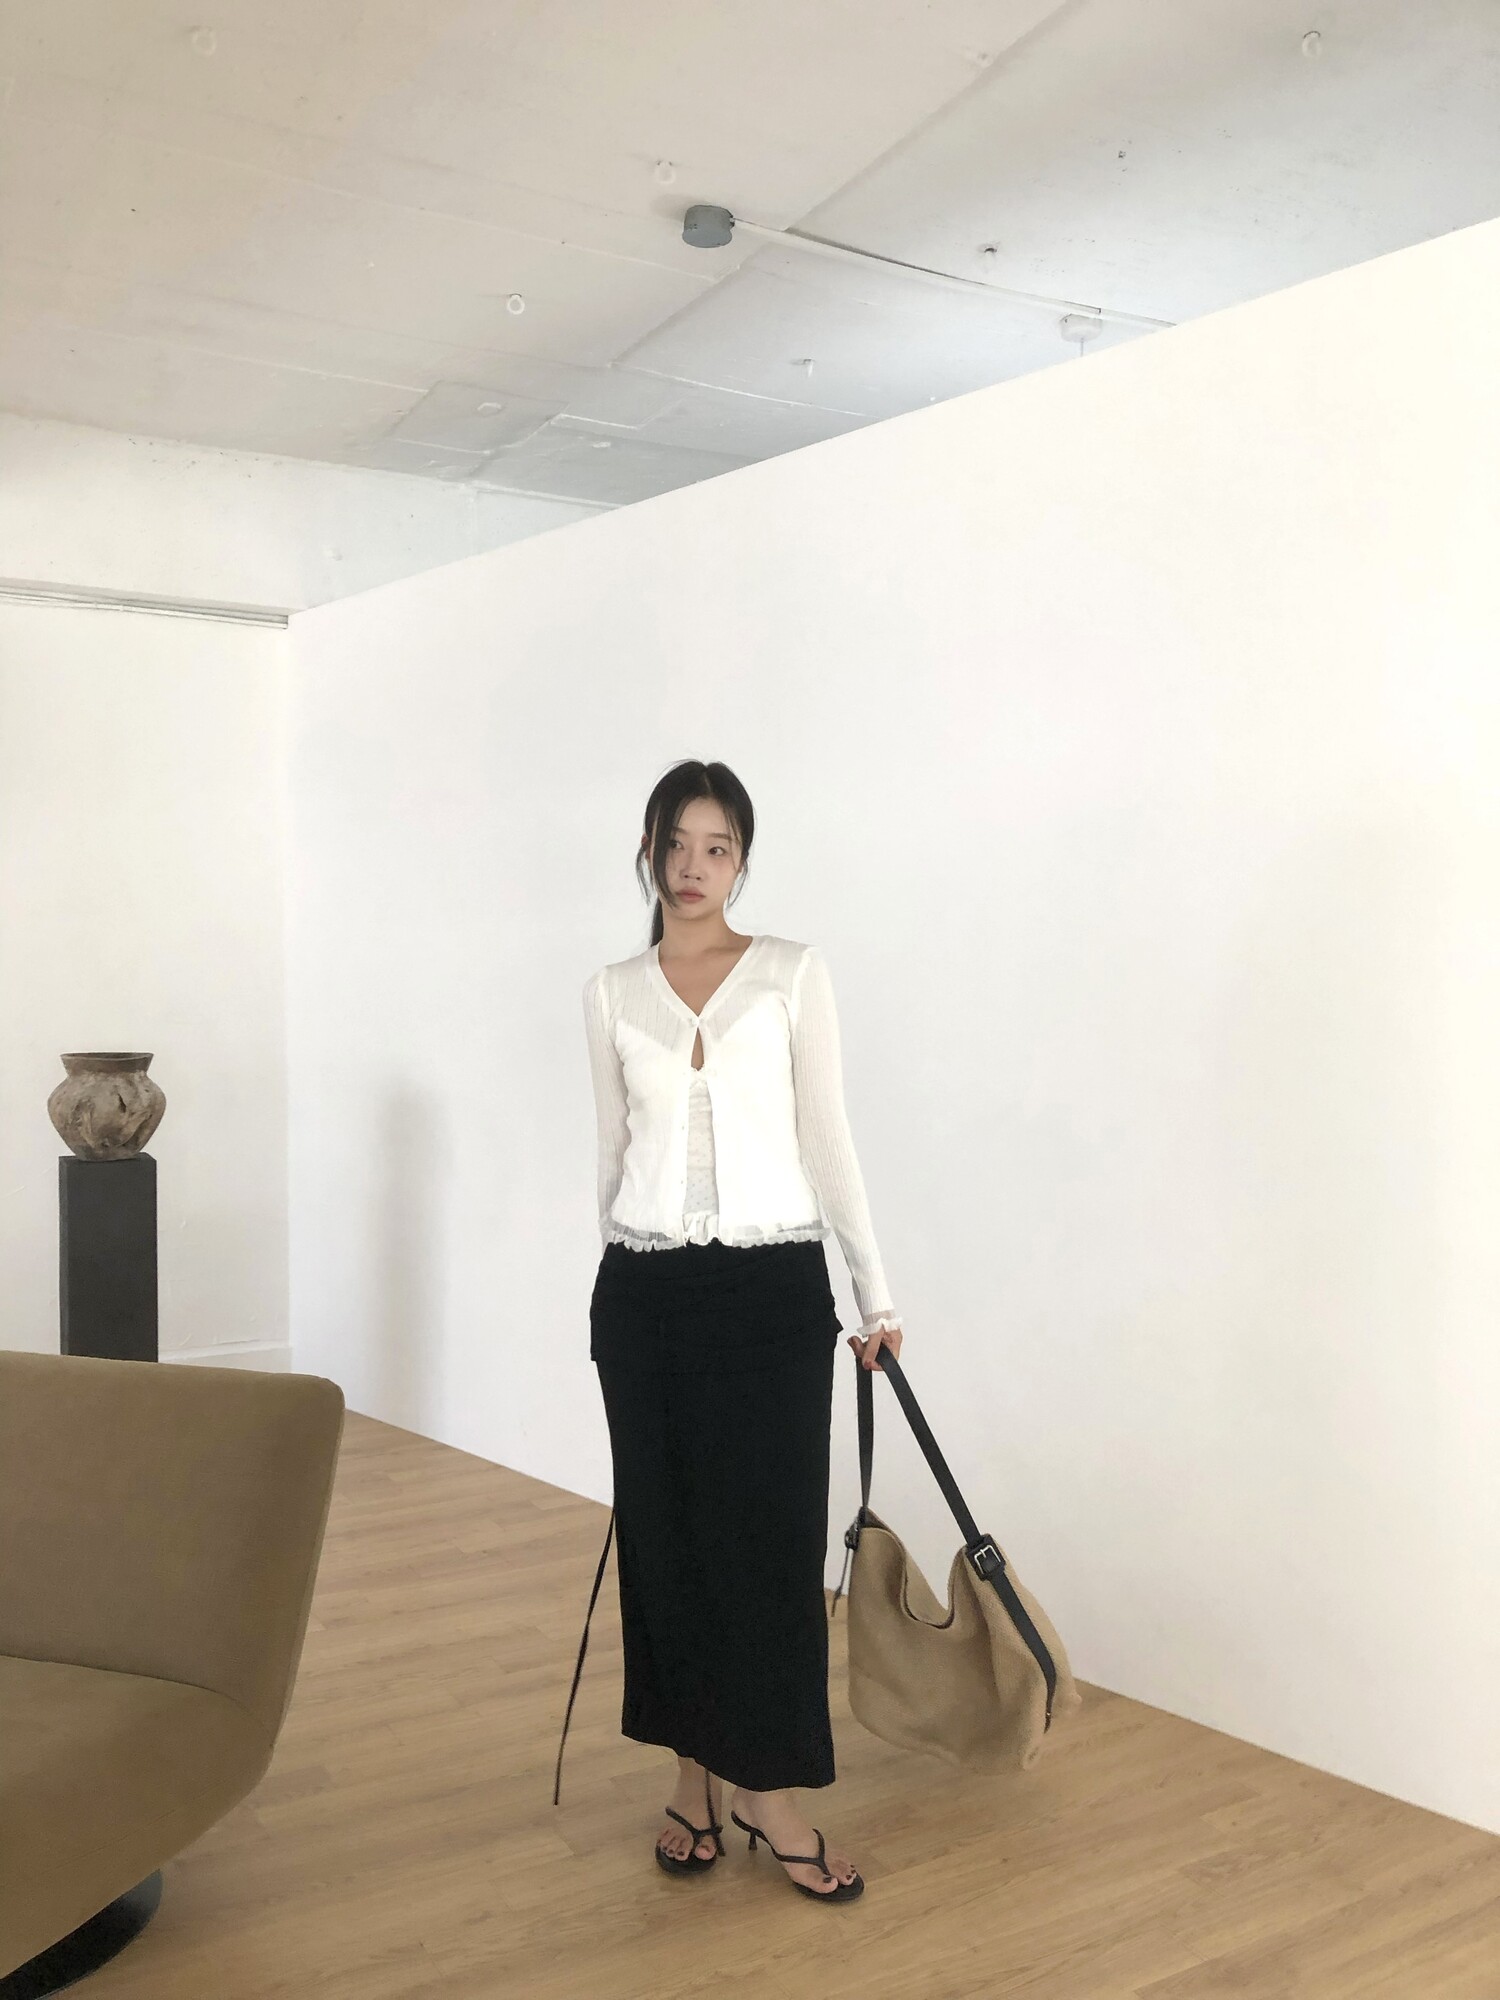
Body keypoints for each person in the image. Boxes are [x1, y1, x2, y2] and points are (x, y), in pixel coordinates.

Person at [560, 758, 904, 1904]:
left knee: (768, 1546)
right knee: (667, 1548)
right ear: (649, 850)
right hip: (648, 1296)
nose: (694, 865)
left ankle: (768, 1787)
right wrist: (615, 1284)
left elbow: (828, 1135)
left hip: (773, 1293)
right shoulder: (612, 992)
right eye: (677, 842)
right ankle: (692, 1777)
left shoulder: (792, 973)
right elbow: (612, 1154)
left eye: (717, 846)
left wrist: (875, 1295)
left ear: (743, 859)